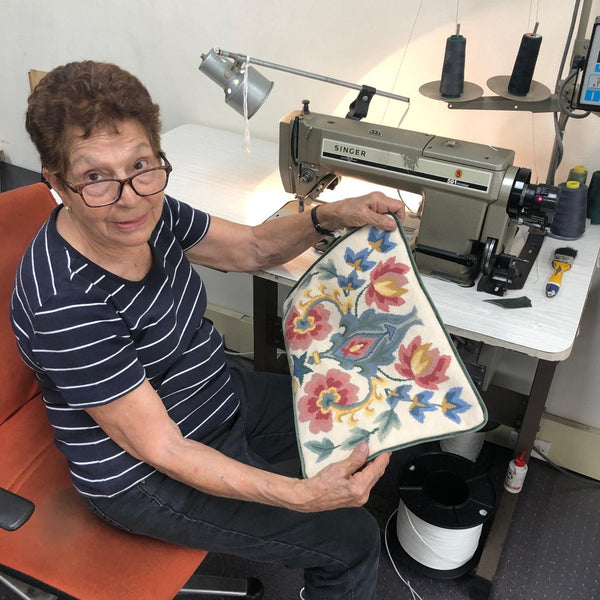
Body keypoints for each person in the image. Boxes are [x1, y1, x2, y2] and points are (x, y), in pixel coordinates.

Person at [11, 60, 405, 600]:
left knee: (373, 413)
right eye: (95, 177)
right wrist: (296, 496)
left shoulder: (152, 210)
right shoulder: (66, 300)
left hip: (213, 393)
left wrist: (329, 215)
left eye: (141, 165)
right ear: (56, 183)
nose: (129, 197)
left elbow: (252, 247)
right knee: (351, 540)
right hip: (146, 478)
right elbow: (165, 449)